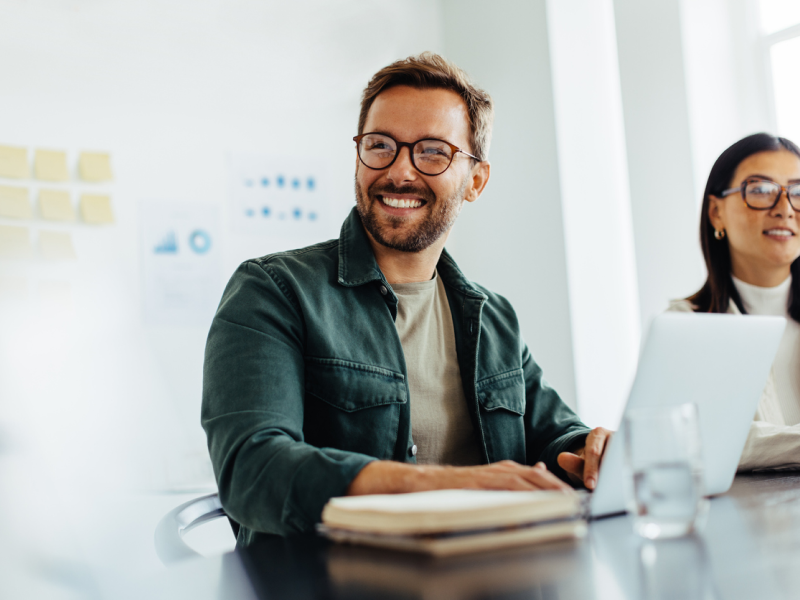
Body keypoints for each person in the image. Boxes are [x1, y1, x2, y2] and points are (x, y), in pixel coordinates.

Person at [202, 52, 611, 545]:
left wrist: (592, 449)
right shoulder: (273, 291)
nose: (400, 171)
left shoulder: (492, 317)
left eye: (433, 152)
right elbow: (253, 470)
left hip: (493, 574)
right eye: (380, 146)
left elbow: (555, 436)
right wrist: (440, 486)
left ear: (475, 181)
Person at [670, 132, 800, 470]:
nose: (784, 209)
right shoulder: (684, 325)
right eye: (760, 190)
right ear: (716, 212)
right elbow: (702, 440)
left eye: (798, 192)